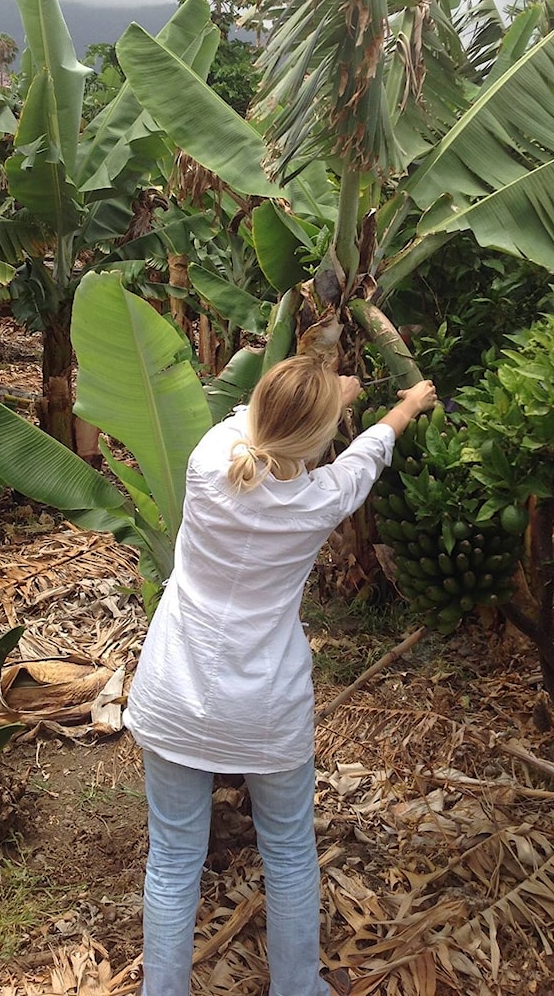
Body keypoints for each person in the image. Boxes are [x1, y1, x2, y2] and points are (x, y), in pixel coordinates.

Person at [124, 354, 437, 996]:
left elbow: (260, 421)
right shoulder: (319, 501)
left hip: (174, 695)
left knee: (174, 860)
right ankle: (297, 987)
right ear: (319, 441)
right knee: (290, 853)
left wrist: (323, 397)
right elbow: (367, 456)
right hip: (263, 709)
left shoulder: (209, 461)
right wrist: (403, 407)